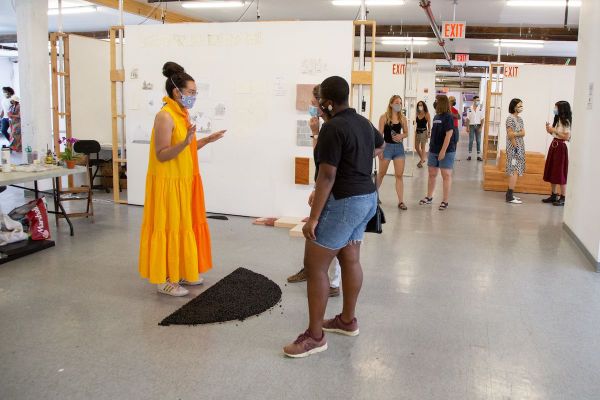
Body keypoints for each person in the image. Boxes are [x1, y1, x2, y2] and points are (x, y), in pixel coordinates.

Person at [283, 76, 385, 358]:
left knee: (315, 266)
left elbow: (327, 176)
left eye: (318, 101)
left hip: (345, 203)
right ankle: (347, 320)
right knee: (350, 258)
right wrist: (357, 162)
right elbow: (381, 147)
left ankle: (315, 337)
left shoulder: (333, 128)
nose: (316, 105)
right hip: (367, 199)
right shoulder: (362, 122)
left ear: (328, 103)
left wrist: (313, 219)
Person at [138, 62, 225, 297]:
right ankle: (165, 279)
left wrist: (205, 140)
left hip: (182, 181)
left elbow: (185, 150)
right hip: (168, 184)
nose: (194, 96)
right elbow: (162, 154)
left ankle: (181, 270)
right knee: (169, 228)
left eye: (195, 92)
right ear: (177, 92)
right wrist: (185, 142)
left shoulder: (182, 114)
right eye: (191, 92)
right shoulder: (165, 117)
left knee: (182, 226)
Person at [287, 84, 342, 298]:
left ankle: (333, 282)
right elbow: (320, 160)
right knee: (314, 231)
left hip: (335, 190)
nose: (311, 107)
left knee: (334, 237)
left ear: (323, 103)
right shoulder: (325, 125)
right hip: (324, 184)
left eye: (313, 103)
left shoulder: (333, 127)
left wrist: (316, 133)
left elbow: (325, 165)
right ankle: (310, 269)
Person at [419, 95, 456, 211]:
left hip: (446, 151)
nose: (435, 103)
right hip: (433, 150)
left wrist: (443, 151)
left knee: (446, 175)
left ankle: (445, 201)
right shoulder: (436, 116)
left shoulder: (448, 117)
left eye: (436, 101)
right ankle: (429, 197)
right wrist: (430, 150)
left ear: (442, 103)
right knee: (432, 173)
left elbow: (449, 134)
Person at [376, 95, 409, 210]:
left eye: (400, 103)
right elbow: (379, 135)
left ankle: (401, 201)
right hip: (386, 148)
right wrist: (379, 150)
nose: (398, 105)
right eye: (396, 102)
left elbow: (406, 133)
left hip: (399, 148)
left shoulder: (402, 118)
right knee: (381, 173)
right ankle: (373, 196)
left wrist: (401, 136)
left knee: (399, 175)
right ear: (391, 104)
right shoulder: (384, 117)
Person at [542, 101, 571, 207]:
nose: (555, 109)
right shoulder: (558, 119)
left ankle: (563, 197)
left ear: (562, 109)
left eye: (556, 107)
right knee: (552, 170)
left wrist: (554, 130)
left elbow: (566, 137)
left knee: (560, 172)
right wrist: (549, 130)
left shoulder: (566, 121)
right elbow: (555, 134)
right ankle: (554, 195)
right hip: (554, 145)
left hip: (560, 148)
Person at [505, 98, 526, 204]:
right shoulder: (510, 119)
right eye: (519, 106)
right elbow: (510, 135)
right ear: (514, 107)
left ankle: (510, 193)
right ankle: (509, 195)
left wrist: (515, 133)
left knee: (516, 170)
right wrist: (516, 148)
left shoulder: (520, 119)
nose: (521, 107)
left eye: (521, 105)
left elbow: (523, 133)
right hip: (514, 148)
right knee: (514, 170)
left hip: (520, 146)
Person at [466, 95, 484, 161]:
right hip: (471, 126)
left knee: (478, 141)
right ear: (474, 100)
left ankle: (478, 156)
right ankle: (469, 155)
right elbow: (467, 119)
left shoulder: (480, 109)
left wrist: (481, 127)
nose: (478, 101)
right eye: (477, 100)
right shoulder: (469, 109)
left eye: (479, 100)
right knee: (471, 140)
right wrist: (467, 127)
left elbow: (482, 119)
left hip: (478, 126)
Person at [414, 100, 431, 168]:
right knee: (416, 147)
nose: (420, 106)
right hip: (417, 131)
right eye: (419, 105)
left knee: (422, 147)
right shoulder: (417, 113)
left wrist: (429, 132)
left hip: (424, 132)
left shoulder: (427, 114)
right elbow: (415, 122)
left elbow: (429, 124)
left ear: (424, 106)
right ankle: (422, 159)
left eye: (421, 105)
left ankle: (421, 161)